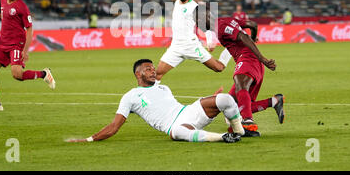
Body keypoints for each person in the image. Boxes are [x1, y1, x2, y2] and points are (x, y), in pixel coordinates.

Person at [66, 59, 244, 143]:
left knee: (224, 98)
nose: (153, 71)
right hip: (174, 127)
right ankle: (223, 138)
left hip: (188, 112)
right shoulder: (130, 96)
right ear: (138, 74)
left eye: (153, 68)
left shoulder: (163, 87)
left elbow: (175, 107)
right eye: (147, 69)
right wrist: (89, 139)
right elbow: (114, 127)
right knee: (179, 132)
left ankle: (240, 131)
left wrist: (210, 100)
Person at [216, 16, 285, 137]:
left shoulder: (220, 27)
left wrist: (263, 59)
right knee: (232, 105)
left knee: (240, 83)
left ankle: (248, 123)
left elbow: (244, 36)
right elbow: (253, 24)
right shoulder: (227, 20)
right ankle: (274, 101)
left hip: (247, 58)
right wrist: (253, 39)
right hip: (251, 59)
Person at [155, 0, 230, 83]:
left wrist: (209, 41)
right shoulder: (177, 2)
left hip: (191, 46)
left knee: (219, 68)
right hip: (175, 47)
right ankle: (153, 95)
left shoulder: (194, 7)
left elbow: (204, 25)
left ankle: (230, 49)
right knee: (157, 74)